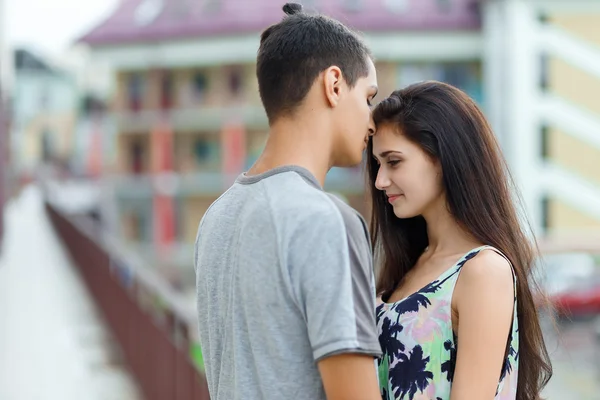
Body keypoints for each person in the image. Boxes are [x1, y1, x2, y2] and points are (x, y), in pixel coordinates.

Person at [194, 3, 381, 400]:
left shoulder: (215, 217)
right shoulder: (327, 220)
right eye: (368, 97)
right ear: (334, 84)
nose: (372, 120)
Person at [367, 81, 553, 400]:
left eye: (394, 162)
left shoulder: (483, 271)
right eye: (378, 165)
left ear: (444, 157)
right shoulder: (408, 266)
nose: (380, 181)